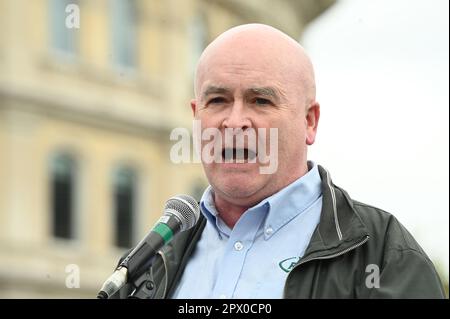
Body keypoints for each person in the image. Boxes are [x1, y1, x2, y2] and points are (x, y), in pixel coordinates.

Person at [113, 24, 445, 298]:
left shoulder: (384, 257)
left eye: (260, 100)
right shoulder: (151, 263)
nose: (234, 121)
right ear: (196, 116)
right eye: (217, 100)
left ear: (309, 121)